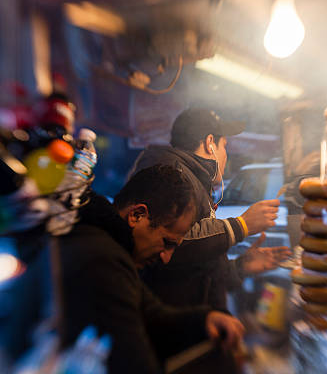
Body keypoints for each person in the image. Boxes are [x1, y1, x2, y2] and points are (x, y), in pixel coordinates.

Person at [58, 165, 245, 373]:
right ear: (137, 215)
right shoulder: (104, 261)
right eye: (167, 242)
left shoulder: (112, 250)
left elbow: (153, 314)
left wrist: (205, 319)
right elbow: (135, 365)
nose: (165, 258)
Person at [129, 107, 291, 310]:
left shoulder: (193, 179)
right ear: (210, 144)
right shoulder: (172, 174)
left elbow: (196, 268)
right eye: (225, 146)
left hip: (198, 319)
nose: (227, 155)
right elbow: (172, 241)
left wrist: (240, 267)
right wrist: (241, 225)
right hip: (174, 321)